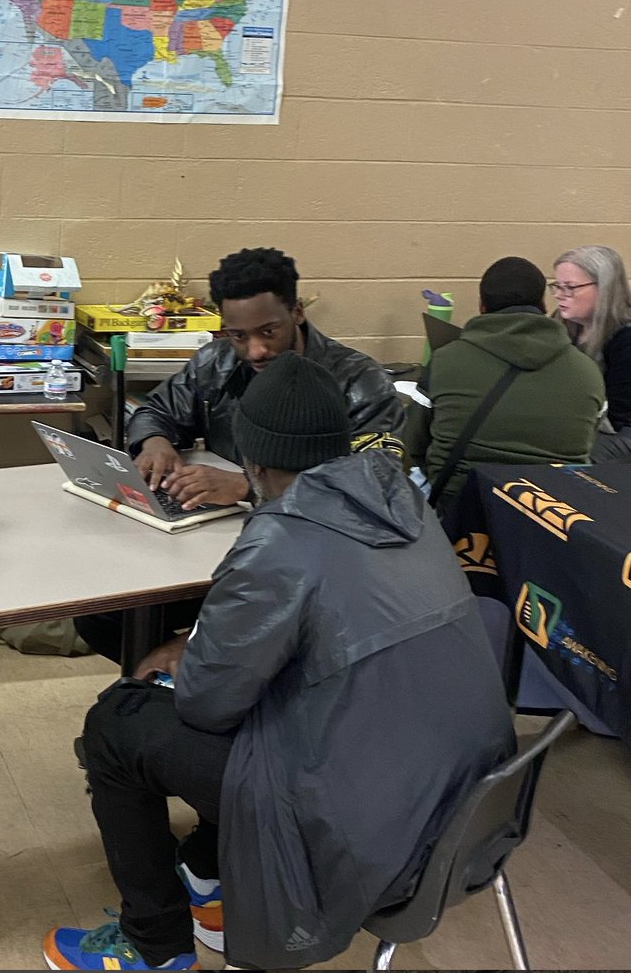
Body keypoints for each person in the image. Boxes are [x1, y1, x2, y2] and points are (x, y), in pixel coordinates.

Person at [44, 353, 515, 972]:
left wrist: (195, 654)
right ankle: (214, 880)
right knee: (269, 702)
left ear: (253, 459)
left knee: (120, 720)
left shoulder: (279, 540)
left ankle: (153, 946)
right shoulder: (403, 501)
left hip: (366, 829)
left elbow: (207, 705)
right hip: (465, 801)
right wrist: (208, 640)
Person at [76, 247, 405, 663]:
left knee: (207, 635)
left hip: (307, 561)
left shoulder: (359, 381)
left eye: (269, 332)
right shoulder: (216, 362)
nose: (255, 351)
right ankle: (187, 677)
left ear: (298, 312)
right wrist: (153, 440)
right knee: (101, 618)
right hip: (217, 545)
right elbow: (156, 409)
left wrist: (247, 486)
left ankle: (203, 674)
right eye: (238, 336)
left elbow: (376, 483)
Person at [405, 256, 604, 512]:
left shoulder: (447, 360)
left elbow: (415, 444)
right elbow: (587, 441)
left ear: (482, 306)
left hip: (459, 508)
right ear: (543, 304)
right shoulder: (587, 372)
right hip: (551, 513)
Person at [551, 245, 631, 461]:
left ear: (605, 289)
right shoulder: (559, 323)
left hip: (614, 431)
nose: (559, 295)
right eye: (557, 286)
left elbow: (619, 418)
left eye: (570, 287)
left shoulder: (625, 339)